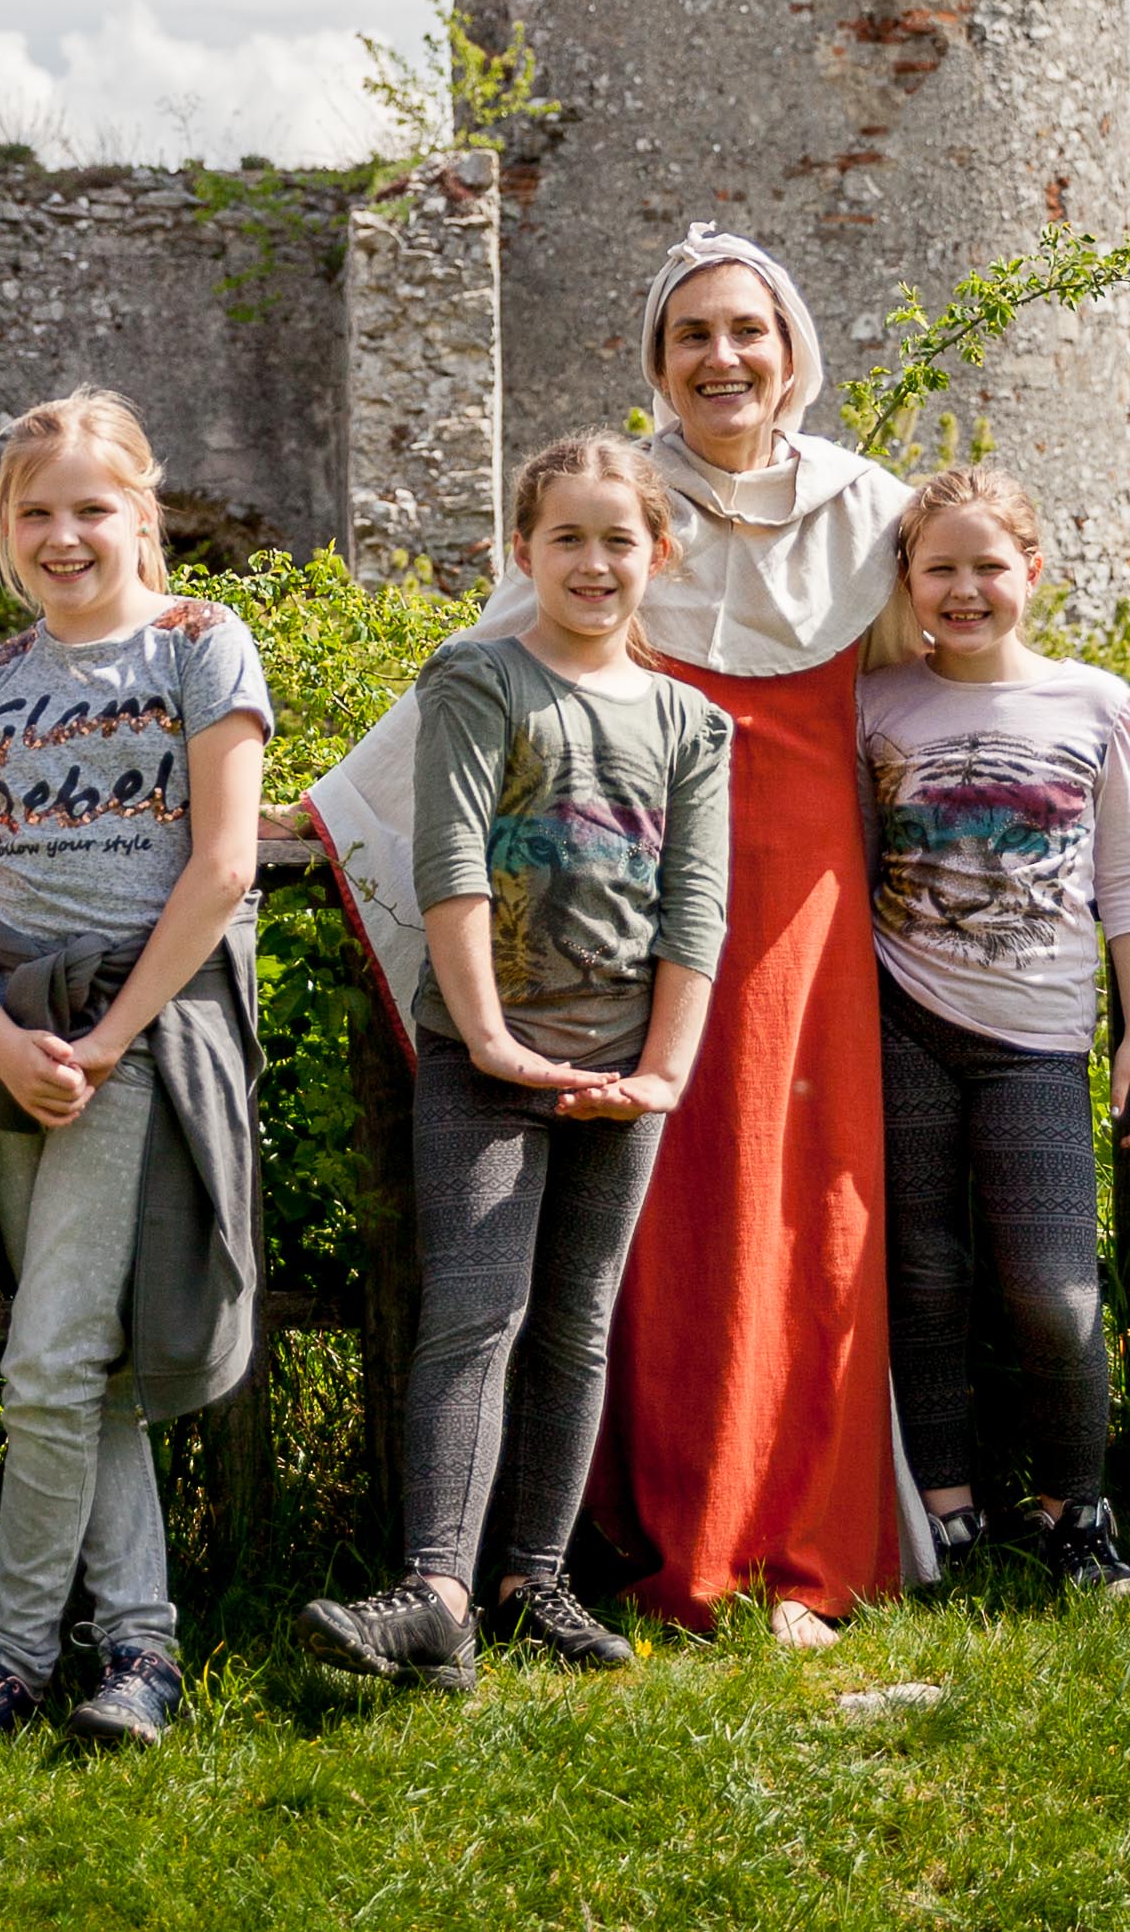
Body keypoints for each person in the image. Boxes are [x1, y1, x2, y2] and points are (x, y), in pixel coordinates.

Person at [306, 434, 732, 1696]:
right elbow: (447, 864)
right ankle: (436, 1590)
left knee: (576, 1324)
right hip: (487, 1055)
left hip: (620, 1072)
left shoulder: (691, 722)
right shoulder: (479, 678)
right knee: (476, 1311)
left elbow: (694, 907)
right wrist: (489, 1037)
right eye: (566, 539)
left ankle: (531, 1577)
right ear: (521, 552)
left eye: (619, 540)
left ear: (656, 555)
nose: (594, 563)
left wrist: (661, 1073)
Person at [0, 391, 272, 1761]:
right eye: (33, 510)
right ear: (5, 526)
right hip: (10, 1031)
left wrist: (104, 1042)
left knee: (47, 1360)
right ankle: (139, 1647)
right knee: (78, 1365)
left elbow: (223, 864)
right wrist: (3, 1039)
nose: (62, 533)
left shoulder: (199, 646)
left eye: (89, 506)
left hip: (134, 1026)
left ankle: (5, 1661)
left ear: (140, 513)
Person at [576, 228, 914, 1639]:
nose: (723, 357)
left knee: (809, 1202)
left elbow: (970, 658)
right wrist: (326, 804)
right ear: (658, 365)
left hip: (807, 909)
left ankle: (807, 1542)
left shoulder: (869, 515)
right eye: (692, 335)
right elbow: (493, 671)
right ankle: (661, 1537)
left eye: (747, 330)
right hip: (648, 907)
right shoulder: (613, 506)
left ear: (792, 353)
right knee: (664, 1210)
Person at [854, 464, 1130, 1598]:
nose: (965, 587)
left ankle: (1075, 1510)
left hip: (1039, 1036)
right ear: (908, 579)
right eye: (939, 566)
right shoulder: (877, 702)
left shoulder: (1096, 703)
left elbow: (1129, 881)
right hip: (903, 1019)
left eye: (988, 564)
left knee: (1051, 1287)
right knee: (923, 1276)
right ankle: (947, 1509)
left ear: (1032, 569)